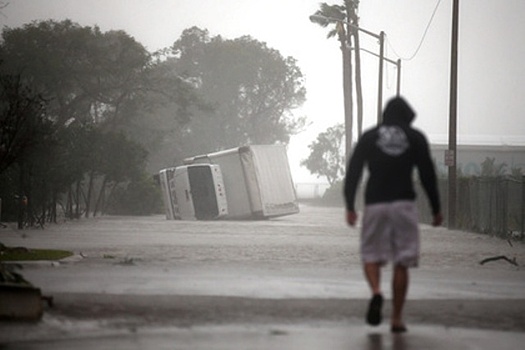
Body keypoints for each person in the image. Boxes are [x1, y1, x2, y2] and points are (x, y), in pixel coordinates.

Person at [343, 96, 443, 333]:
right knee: (402, 261)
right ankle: (397, 319)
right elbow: (427, 173)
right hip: (404, 204)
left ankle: (377, 292)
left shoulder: (370, 136)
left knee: (370, 255)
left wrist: (349, 206)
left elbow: (354, 171)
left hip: (375, 204)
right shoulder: (415, 137)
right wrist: (436, 208)